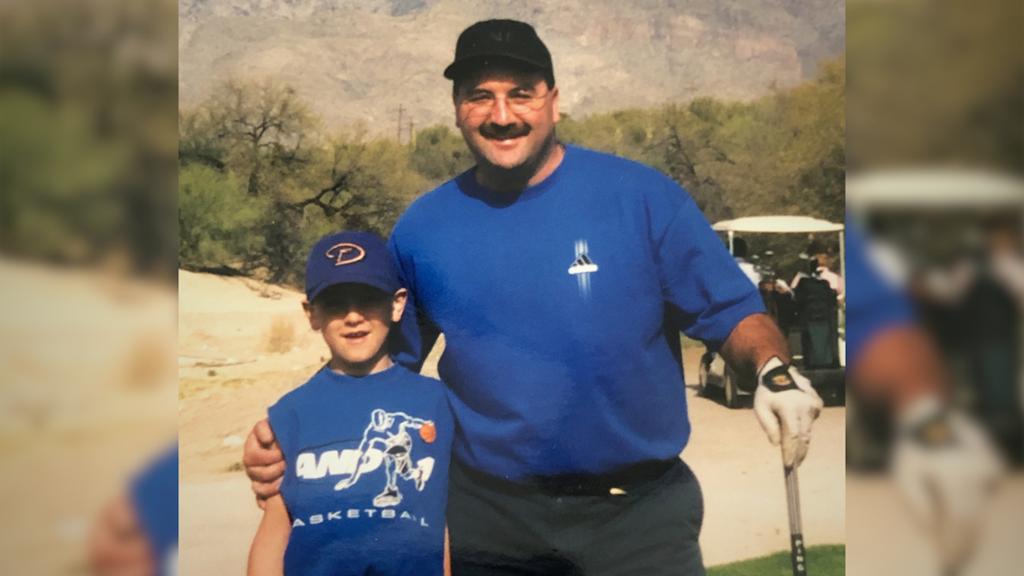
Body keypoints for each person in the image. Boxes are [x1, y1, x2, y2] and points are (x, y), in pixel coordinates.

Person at [244, 20, 823, 575]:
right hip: (492, 522)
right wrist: (292, 434)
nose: (501, 115)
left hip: (639, 515)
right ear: (457, 110)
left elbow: (731, 311)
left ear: (553, 99)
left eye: (521, 94)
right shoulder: (424, 228)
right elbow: (381, 364)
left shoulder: (642, 197)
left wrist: (775, 372)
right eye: (480, 97)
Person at [246, 231, 454, 576]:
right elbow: (274, 530)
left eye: (367, 299)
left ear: (398, 303)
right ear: (312, 314)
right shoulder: (291, 412)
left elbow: (440, 526)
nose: (353, 316)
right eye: (335, 303)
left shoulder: (436, 402)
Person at [845, 219, 1004, 574]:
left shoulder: (876, 251)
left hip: (932, 352)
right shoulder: (893, 257)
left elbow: (875, 318)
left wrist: (925, 416)